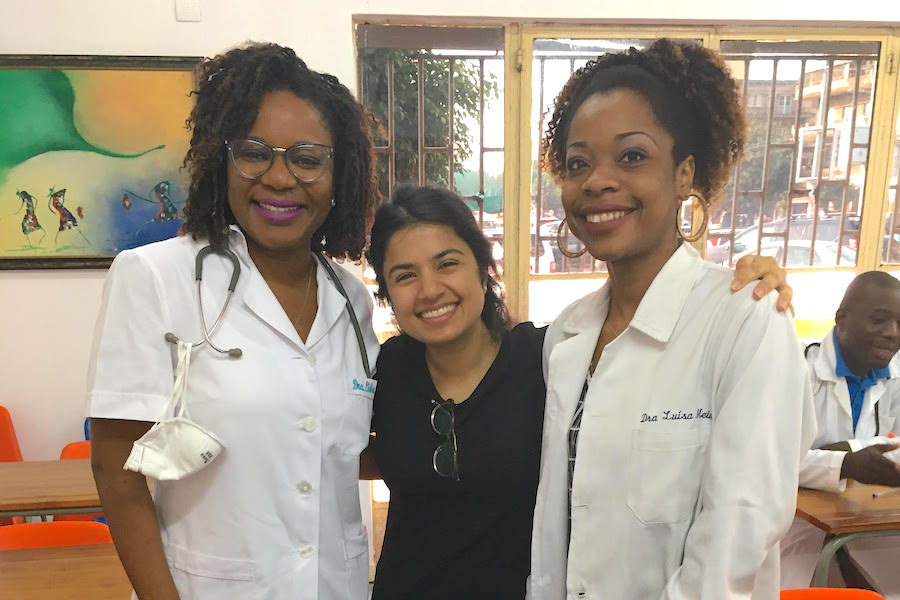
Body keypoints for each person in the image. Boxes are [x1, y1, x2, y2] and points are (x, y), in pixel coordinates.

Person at [363, 184, 796, 599]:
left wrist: (740, 285)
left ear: (481, 266)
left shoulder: (552, 358)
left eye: (447, 263)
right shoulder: (385, 370)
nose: (430, 289)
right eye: (405, 276)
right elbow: (341, 452)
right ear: (386, 292)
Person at [87, 43, 379, 600]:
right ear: (222, 160)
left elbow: (336, 447)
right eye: (254, 152)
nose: (279, 178)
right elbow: (116, 471)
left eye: (308, 158)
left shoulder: (352, 297)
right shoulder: (154, 277)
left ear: (338, 174)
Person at [528, 39, 816, 599]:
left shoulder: (746, 320)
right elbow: (557, 529)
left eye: (632, 156)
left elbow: (736, 535)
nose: (598, 181)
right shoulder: (567, 334)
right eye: (578, 162)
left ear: (685, 174)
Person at [781, 271, 900, 595]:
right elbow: (767, 460)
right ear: (842, 319)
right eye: (879, 320)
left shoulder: (894, 375)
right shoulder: (795, 368)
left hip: (863, 519)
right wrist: (845, 463)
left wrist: (848, 451)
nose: (892, 334)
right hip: (794, 526)